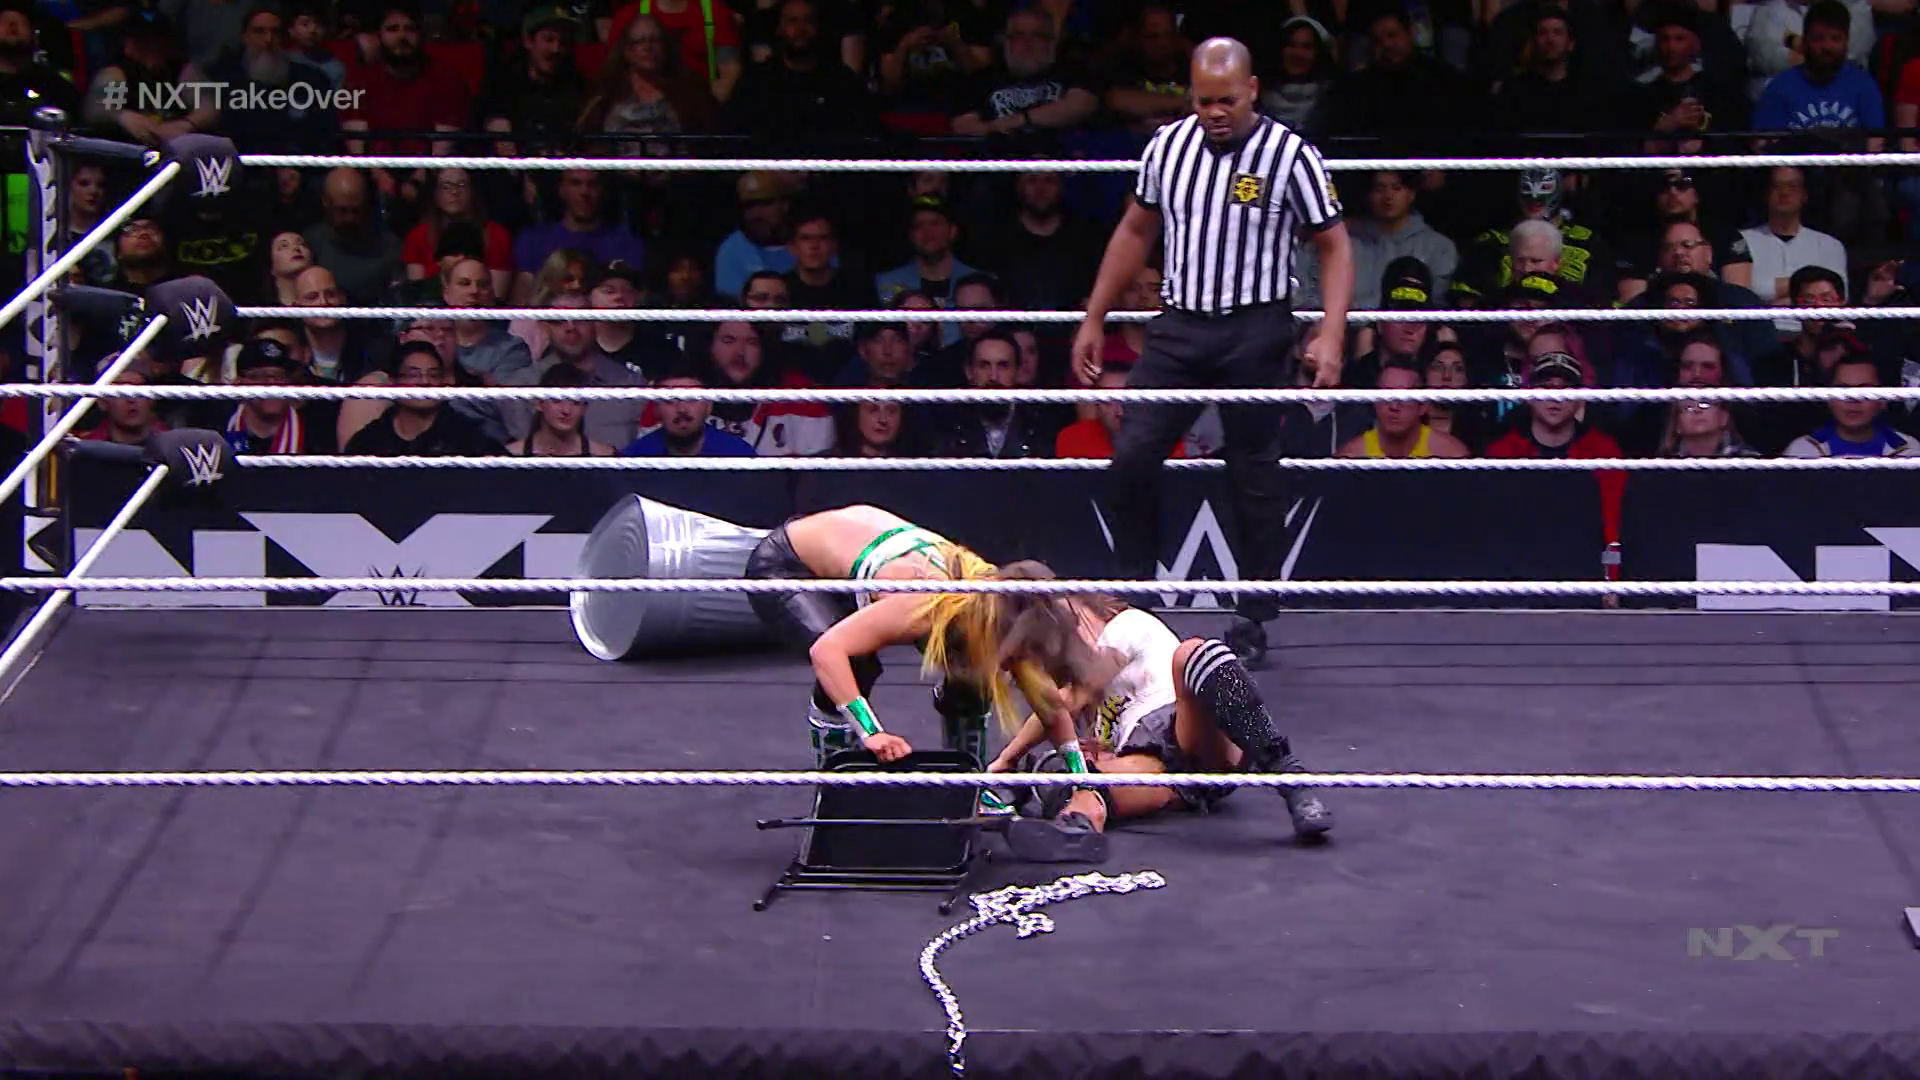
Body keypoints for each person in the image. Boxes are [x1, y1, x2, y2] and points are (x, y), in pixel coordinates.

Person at [1072, 35, 1351, 665]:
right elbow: (1136, 229)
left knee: (1252, 470)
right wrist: (1095, 315)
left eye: (1227, 100)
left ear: (1252, 90)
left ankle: (1252, 616)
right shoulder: (1166, 147)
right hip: (1178, 326)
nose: (1216, 113)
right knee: (1133, 453)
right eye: (1204, 101)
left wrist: (1331, 331)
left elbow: (1334, 243)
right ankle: (1133, 601)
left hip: (1257, 327)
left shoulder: (1290, 155)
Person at [742, 505, 1111, 863]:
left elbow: (1048, 703)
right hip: (790, 563)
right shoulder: (924, 599)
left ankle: (968, 786)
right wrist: (872, 733)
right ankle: (837, 794)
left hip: (857, 556)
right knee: (853, 665)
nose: (1014, 665)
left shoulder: (1002, 602)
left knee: (973, 679)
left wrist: (1083, 785)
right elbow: (827, 651)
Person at [986, 573, 1333, 843]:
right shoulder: (1092, 698)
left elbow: (1064, 702)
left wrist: (1006, 758)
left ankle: (1290, 777)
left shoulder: (1126, 627)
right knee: (1065, 775)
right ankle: (1076, 829)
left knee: (1194, 653)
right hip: (1163, 773)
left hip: (1193, 731)